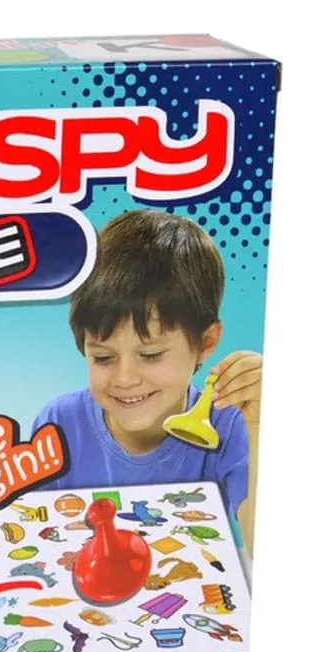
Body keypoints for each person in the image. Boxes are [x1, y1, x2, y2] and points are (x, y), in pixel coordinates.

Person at [32, 210, 262, 554]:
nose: (125, 379)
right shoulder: (60, 422)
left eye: (151, 354)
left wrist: (258, 425)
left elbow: (260, 549)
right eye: (103, 358)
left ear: (205, 343)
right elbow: (38, 534)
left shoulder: (229, 424)